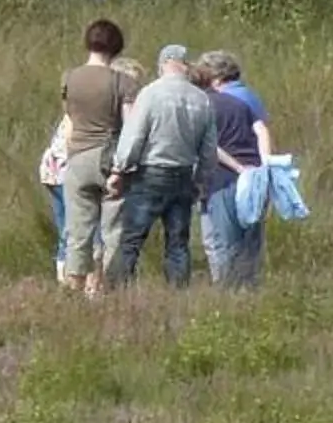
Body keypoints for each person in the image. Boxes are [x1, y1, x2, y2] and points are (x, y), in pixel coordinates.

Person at [108, 42, 218, 288]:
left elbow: (133, 136)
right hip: (183, 176)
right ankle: (178, 296)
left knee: (131, 240)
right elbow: (209, 149)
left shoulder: (150, 94)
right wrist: (201, 180)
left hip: (151, 173)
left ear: (164, 63)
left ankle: (113, 295)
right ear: (184, 65)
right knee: (178, 243)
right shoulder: (202, 100)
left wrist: (119, 168)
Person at [56, 19, 139, 296]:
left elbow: (70, 116)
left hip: (77, 157)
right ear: (116, 46)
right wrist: (123, 168)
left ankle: (73, 286)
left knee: (77, 229)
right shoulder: (123, 82)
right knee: (113, 228)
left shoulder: (69, 78)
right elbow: (130, 129)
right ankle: (108, 287)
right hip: (109, 155)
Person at [196, 51, 276, 290]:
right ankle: (248, 289)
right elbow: (263, 131)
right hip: (254, 175)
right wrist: (265, 167)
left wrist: (240, 167)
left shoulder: (217, 101)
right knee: (250, 239)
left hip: (226, 176)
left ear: (214, 77)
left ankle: (227, 290)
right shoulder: (249, 96)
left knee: (224, 239)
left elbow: (209, 144)